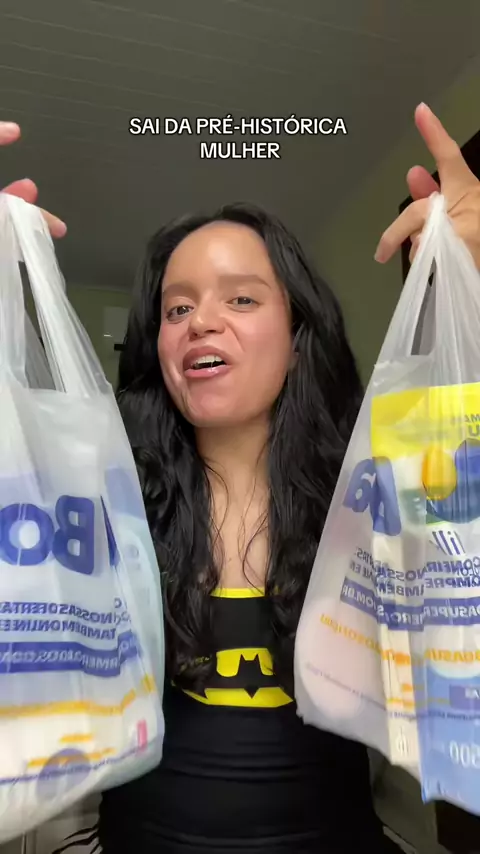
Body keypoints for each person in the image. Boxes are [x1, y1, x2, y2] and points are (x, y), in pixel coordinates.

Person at [2, 104, 480, 853]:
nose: (200, 321)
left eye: (242, 298)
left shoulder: (377, 493)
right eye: (177, 307)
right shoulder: (93, 503)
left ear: (298, 337)